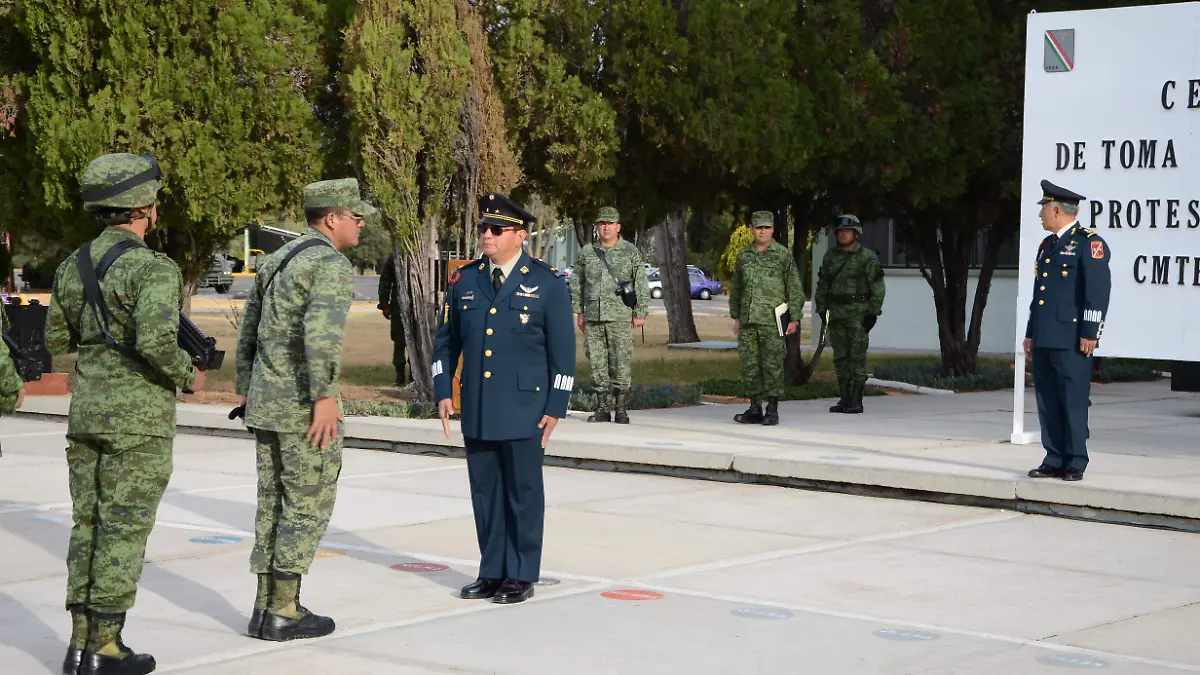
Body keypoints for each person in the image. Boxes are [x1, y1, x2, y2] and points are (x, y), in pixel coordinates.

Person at [45, 152, 205, 675]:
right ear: (144, 206)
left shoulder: (73, 265)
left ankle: (79, 643)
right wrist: (188, 373)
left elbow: (55, 339)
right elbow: (157, 342)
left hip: (86, 412)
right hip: (137, 421)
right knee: (124, 531)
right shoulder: (153, 267)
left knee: (86, 526)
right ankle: (106, 648)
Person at [235, 178, 369, 641]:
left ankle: (264, 607)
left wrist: (245, 388)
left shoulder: (278, 259)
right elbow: (321, 334)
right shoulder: (329, 264)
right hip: (302, 407)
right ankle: (285, 611)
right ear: (331, 218)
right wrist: (325, 396)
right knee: (306, 505)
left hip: (268, 403)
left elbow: (248, 328)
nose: (361, 222)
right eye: (355, 215)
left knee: (271, 505)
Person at [434, 192, 575, 604]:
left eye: (496, 229)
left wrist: (555, 407)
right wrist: (444, 390)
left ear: (520, 236)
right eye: (483, 228)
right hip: (477, 405)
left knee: (523, 493)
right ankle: (492, 570)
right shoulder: (465, 278)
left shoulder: (545, 282)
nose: (486, 236)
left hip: (525, 409)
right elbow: (446, 343)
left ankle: (521, 573)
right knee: (486, 492)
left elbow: (562, 353)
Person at [1024, 179, 1111, 482]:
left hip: (1073, 339)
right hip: (1046, 336)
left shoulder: (1089, 243)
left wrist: (1090, 332)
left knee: (1072, 400)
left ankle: (1075, 459)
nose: (1041, 215)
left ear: (1057, 209)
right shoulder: (1047, 245)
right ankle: (1054, 457)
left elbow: (1096, 291)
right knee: (1047, 400)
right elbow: (1041, 295)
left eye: (1044, 209)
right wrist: (1031, 332)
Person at [568, 206, 650, 423]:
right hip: (593, 317)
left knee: (620, 362)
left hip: (620, 317)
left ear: (618, 226)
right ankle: (602, 408)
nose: (605, 227)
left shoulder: (630, 251)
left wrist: (640, 312)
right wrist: (579, 310)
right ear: (597, 227)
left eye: (610, 223)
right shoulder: (587, 252)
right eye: (602, 223)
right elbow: (577, 282)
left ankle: (621, 409)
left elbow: (640, 283)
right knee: (597, 363)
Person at [729, 211, 804, 426]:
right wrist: (736, 316)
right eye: (758, 227)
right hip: (749, 320)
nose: (762, 231)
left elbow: (795, 289)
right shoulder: (744, 256)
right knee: (750, 365)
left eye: (766, 227)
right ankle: (755, 407)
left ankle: (772, 409)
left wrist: (794, 319)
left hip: (773, 321)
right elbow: (737, 288)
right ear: (752, 229)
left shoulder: (782, 255)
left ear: (772, 229)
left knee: (772, 365)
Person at [813, 214, 886, 414]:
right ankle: (844, 398)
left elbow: (877, 287)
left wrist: (873, 313)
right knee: (840, 357)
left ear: (856, 233)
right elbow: (822, 284)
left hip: (858, 315)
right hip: (836, 314)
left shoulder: (866, 257)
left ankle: (857, 400)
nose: (843, 235)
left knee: (856, 356)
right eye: (840, 232)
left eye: (847, 231)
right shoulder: (830, 257)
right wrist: (821, 309)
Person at [377, 254, 410, 387]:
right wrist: (384, 304)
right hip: (398, 305)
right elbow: (385, 281)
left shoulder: (424, 255)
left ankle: (415, 376)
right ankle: (400, 377)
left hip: (420, 306)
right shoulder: (395, 258)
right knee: (399, 342)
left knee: (418, 343)